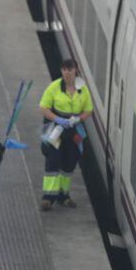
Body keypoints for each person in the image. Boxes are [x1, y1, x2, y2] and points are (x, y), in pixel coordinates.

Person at [38, 59, 93, 210]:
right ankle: (48, 198)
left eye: (69, 69)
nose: (67, 73)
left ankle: (64, 196)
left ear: (76, 70)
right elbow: (43, 107)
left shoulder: (83, 89)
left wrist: (78, 119)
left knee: (69, 162)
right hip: (56, 128)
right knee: (53, 160)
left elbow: (88, 110)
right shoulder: (54, 87)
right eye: (64, 69)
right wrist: (58, 119)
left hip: (73, 129)